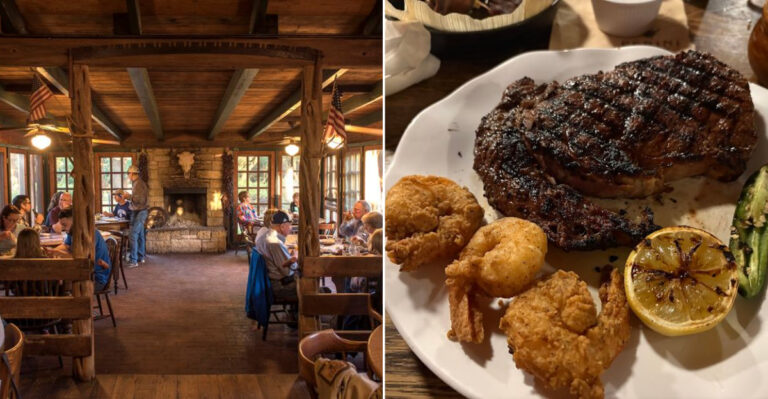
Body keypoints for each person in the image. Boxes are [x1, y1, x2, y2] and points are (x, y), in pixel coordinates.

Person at [45, 208, 111, 292]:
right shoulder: (73, 232)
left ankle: (65, 302)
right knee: (54, 282)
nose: (62, 228)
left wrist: (57, 252)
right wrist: (52, 251)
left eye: (65, 225)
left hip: (96, 279)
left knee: (58, 285)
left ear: (75, 221)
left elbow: (81, 259)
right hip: (84, 273)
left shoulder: (90, 234)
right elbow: (66, 245)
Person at [254, 210, 298, 300]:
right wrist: (295, 258)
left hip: (270, 282)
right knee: (314, 287)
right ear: (282, 226)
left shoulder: (265, 236)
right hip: (279, 287)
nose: (291, 228)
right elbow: (287, 272)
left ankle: (295, 311)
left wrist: (289, 258)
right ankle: (300, 311)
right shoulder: (275, 243)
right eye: (289, 225)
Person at [126, 165, 148, 268]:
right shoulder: (136, 183)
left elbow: (140, 200)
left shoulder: (139, 184)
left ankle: (133, 260)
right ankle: (140, 257)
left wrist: (128, 196)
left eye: (128, 173)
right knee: (139, 235)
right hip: (137, 211)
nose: (128, 175)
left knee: (133, 234)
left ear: (132, 174)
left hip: (140, 211)